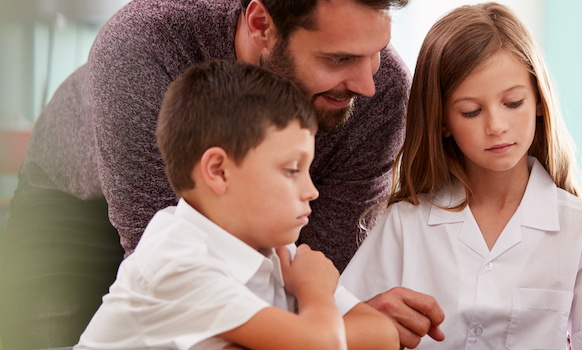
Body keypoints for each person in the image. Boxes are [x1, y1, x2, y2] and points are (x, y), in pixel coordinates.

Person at [0, 0, 409, 347]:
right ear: (261, 25)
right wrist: (317, 305)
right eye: (338, 59)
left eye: (375, 53)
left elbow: (310, 278)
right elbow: (307, 328)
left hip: (250, 214)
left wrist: (313, 311)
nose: (366, 84)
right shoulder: (145, 41)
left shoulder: (384, 90)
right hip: (79, 200)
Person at [339, 3, 582, 349]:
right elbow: (345, 325)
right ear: (442, 121)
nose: (496, 126)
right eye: (471, 111)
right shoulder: (405, 224)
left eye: (513, 103)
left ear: (539, 101)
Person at [75, 59, 397, 350]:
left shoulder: (276, 250)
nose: (311, 191)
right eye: (291, 170)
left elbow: (382, 334)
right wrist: (314, 292)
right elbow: (322, 345)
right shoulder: (176, 261)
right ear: (218, 171)